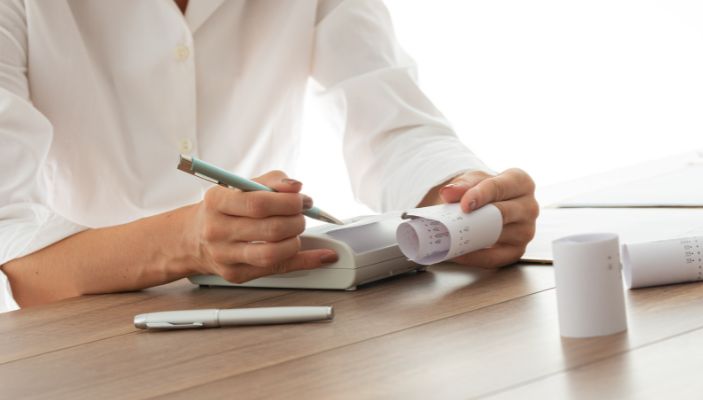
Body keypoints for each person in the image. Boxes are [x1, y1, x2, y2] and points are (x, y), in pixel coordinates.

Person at [0, 0, 538, 312]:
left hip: (275, 312)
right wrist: (186, 241)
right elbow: (19, 259)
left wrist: (462, 197)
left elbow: (391, 123)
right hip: (84, 337)